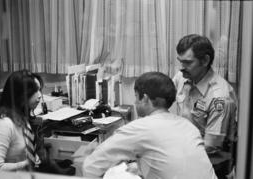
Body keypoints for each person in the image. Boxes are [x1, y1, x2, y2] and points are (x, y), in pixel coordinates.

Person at [83, 72, 217, 179]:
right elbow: (175, 163)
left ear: (145, 99)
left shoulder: (139, 128)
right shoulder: (188, 126)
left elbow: (91, 167)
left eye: (136, 97)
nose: (135, 102)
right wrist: (139, 166)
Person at [172, 34, 237, 178]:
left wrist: (170, 153)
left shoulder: (219, 97)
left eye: (188, 62)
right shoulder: (182, 77)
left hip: (210, 166)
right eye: (180, 61)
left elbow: (211, 146)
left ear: (205, 60)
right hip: (185, 154)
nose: (182, 68)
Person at [0, 70, 43, 171]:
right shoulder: (4, 124)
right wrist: (26, 163)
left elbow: (24, 151)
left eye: (40, 90)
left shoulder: (21, 116)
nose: (39, 95)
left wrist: (32, 158)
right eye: (35, 91)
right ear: (20, 95)